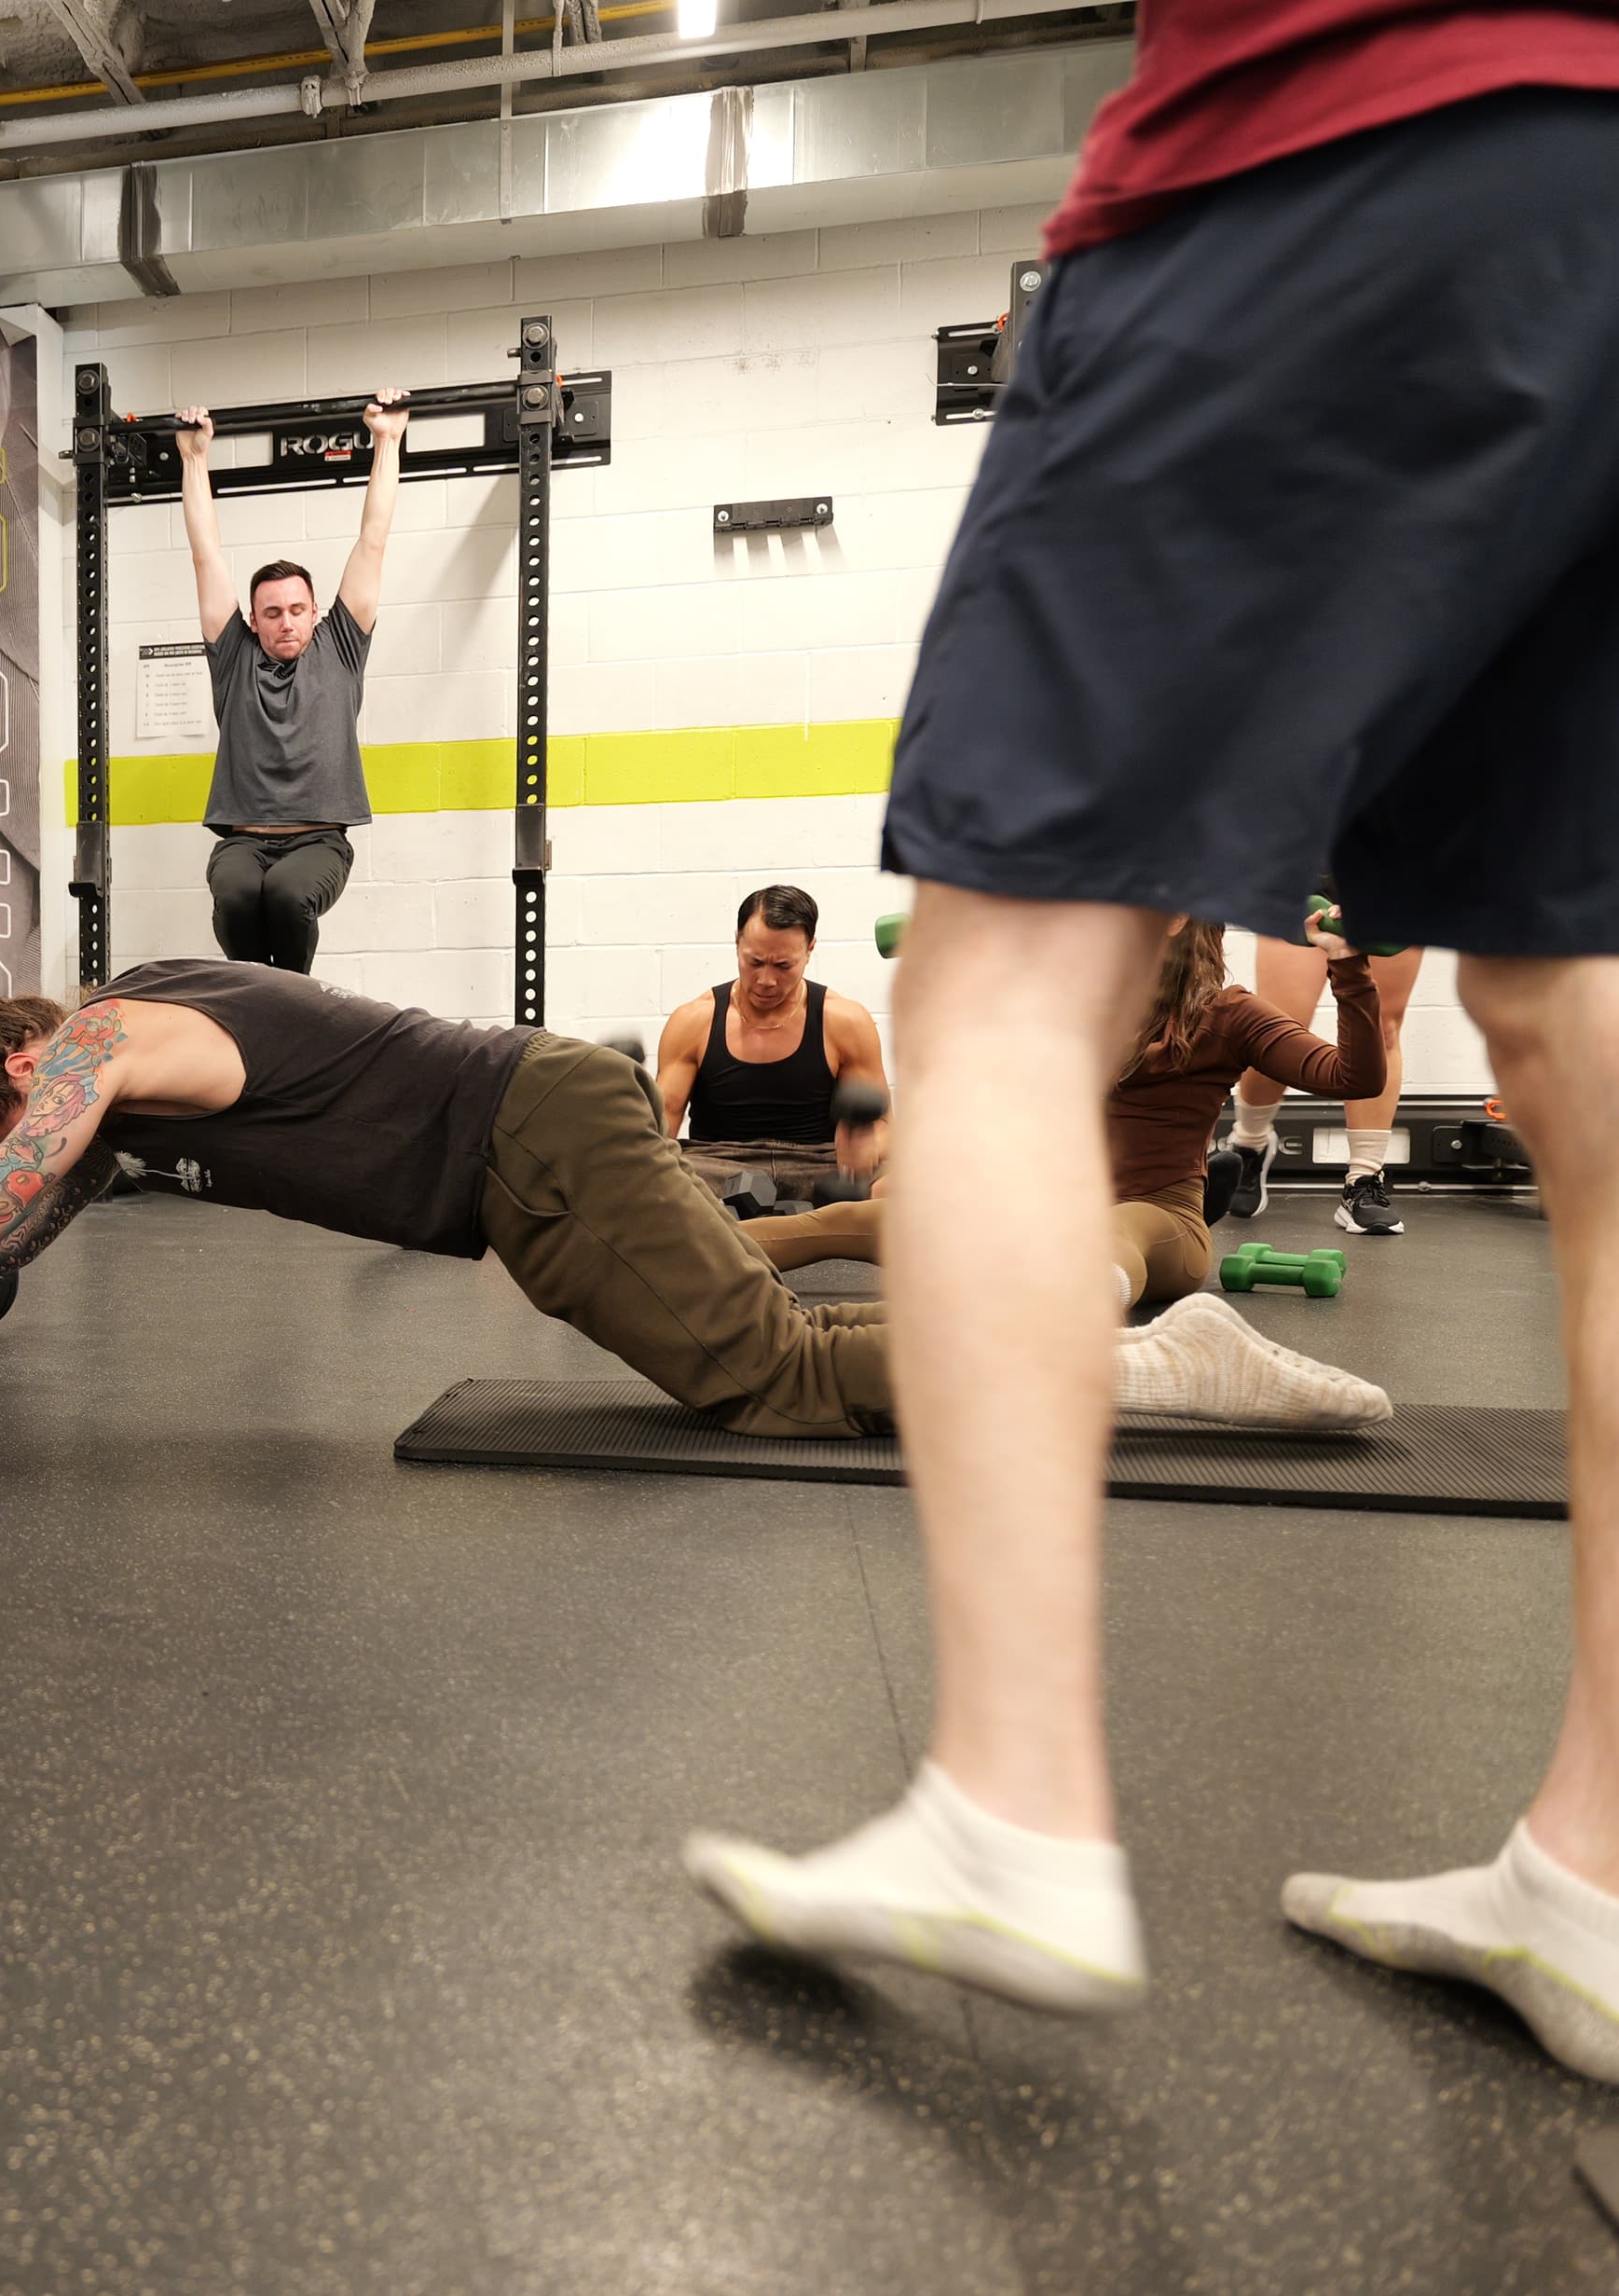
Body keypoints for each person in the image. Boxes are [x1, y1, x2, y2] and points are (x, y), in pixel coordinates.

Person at [679, 22, 1619, 2076]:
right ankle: (1604, 1872)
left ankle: (1014, 1800)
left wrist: (1343, 1002)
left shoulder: (1209, 1010)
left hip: (1317, 150)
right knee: (1584, 1027)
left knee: (1001, 984)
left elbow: (1317, 1040)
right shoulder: (713, 1023)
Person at [0, 962, 1392, 1456]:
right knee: (756, 1319)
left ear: (21, 1078)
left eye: (5, 1132)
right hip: (531, 1155)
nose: (37, 1153)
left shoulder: (97, 1049)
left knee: (774, 1384)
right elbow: (20, 1211)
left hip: (532, 1143)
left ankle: (1150, 1362)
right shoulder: (126, 1037)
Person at [748, 916, 1387, 1305]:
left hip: (1154, 1219)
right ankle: (681, 1259)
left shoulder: (1230, 1015)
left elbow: (1353, 1075)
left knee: (1102, 1240)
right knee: (849, 1219)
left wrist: (1347, 966)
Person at [173, 391, 408, 974]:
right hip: (244, 843)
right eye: (272, 612)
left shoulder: (341, 645)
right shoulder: (233, 656)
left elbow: (373, 540)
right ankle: (258, 1002)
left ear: (313, 611)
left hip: (318, 842)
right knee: (234, 896)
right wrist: (194, 459)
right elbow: (206, 555)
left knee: (285, 897)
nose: (285, 621)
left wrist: (387, 441)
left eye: (297, 609)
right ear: (253, 620)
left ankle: (289, 1001)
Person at [653, 885, 890, 1201]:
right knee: (658, 1182)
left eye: (783, 966)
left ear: (810, 950)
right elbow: (661, 1126)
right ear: (737, 942)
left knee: (903, 1182)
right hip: (717, 1166)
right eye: (754, 962)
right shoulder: (694, 1021)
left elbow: (883, 1125)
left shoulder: (845, 1021)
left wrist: (869, 1141)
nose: (766, 980)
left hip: (817, 1164)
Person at [1224, 885, 1428, 1236]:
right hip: (1308, 874)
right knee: (1277, 1028)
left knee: (1383, 1030)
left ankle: (1363, 1178)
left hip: (1392, 875)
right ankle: (1249, 1143)